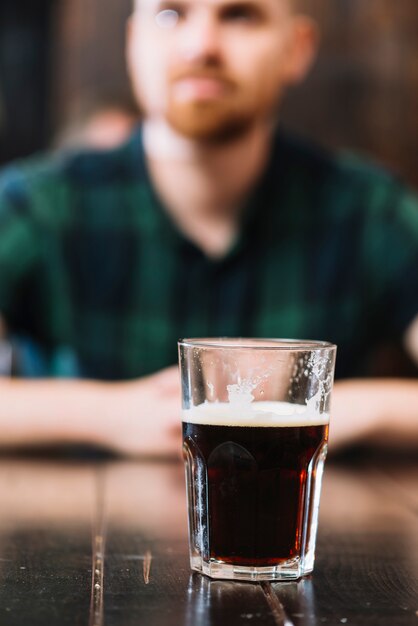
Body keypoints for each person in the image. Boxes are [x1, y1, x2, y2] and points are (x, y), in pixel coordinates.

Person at [0, 0, 417, 456]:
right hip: (78, 526)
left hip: (308, 527)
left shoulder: (370, 212)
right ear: (132, 42)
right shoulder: (36, 207)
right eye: (170, 15)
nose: (201, 46)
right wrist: (111, 415)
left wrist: (327, 407)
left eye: (240, 15)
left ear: (297, 49)